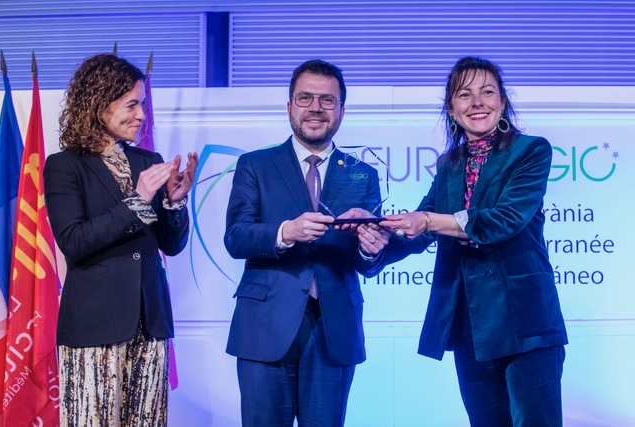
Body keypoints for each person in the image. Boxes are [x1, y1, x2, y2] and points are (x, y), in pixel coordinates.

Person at [381, 56, 568, 426]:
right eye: (464, 95)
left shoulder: (530, 151)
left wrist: (429, 221)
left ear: (502, 102)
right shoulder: (449, 163)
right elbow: (420, 228)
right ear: (452, 109)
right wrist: (374, 235)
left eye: (487, 92)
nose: (477, 102)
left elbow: (505, 219)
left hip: (525, 320)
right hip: (470, 323)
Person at [223, 59, 390, 426]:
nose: (315, 108)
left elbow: (368, 262)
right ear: (289, 106)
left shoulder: (362, 174)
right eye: (305, 98)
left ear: (342, 111)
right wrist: (286, 232)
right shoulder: (255, 165)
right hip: (264, 327)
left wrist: (369, 248)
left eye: (327, 100)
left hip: (334, 329)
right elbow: (235, 237)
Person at [44, 53, 198, 426]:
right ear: (99, 104)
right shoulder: (65, 165)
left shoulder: (148, 161)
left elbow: (169, 244)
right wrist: (138, 199)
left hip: (150, 323)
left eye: (142, 105)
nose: (142, 115)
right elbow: (75, 242)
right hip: (95, 328)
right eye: (132, 105)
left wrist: (175, 205)